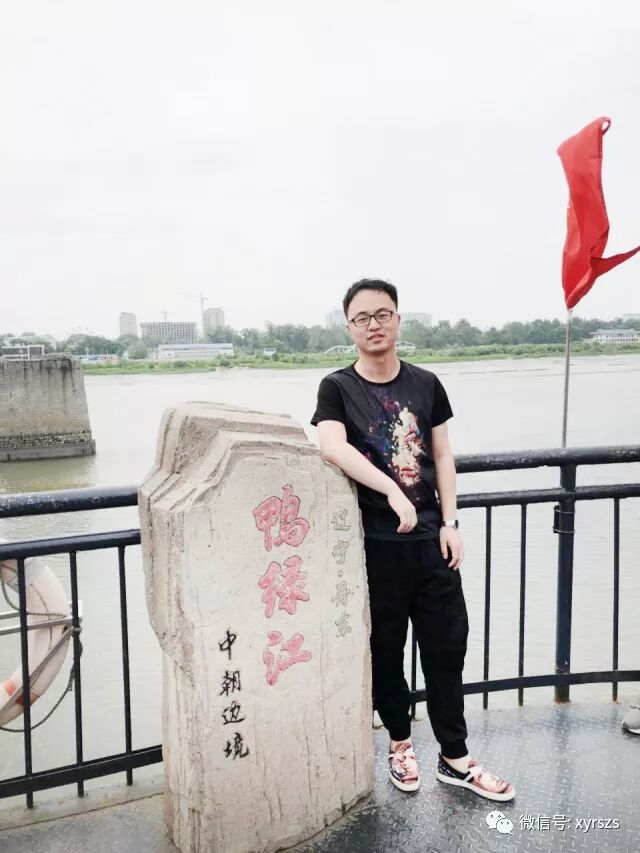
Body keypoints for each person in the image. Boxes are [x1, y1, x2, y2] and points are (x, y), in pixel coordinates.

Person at [311, 278, 515, 802]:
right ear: (349, 328)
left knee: (447, 648)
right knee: (386, 651)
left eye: (383, 314)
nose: (374, 325)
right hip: (376, 547)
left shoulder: (427, 383)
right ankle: (400, 745)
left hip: (431, 544)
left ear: (398, 320)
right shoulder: (337, 387)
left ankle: (455, 757)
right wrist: (390, 490)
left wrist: (451, 522)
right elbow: (332, 446)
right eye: (362, 318)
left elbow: (442, 455)